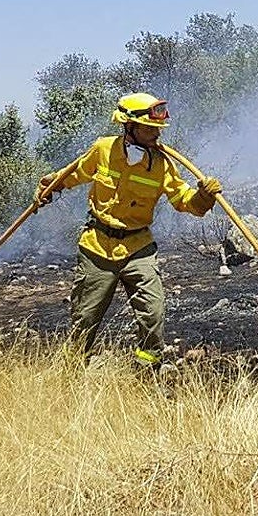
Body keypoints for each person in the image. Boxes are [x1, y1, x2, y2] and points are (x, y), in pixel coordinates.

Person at [35, 92, 223, 369]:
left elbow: (185, 201)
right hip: (97, 246)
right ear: (129, 126)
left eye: (158, 129)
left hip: (138, 247)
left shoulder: (162, 164)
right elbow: (73, 174)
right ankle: (70, 371)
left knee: (153, 312)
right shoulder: (103, 149)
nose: (156, 134)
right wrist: (48, 187)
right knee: (85, 318)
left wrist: (204, 197)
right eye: (149, 128)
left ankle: (147, 369)